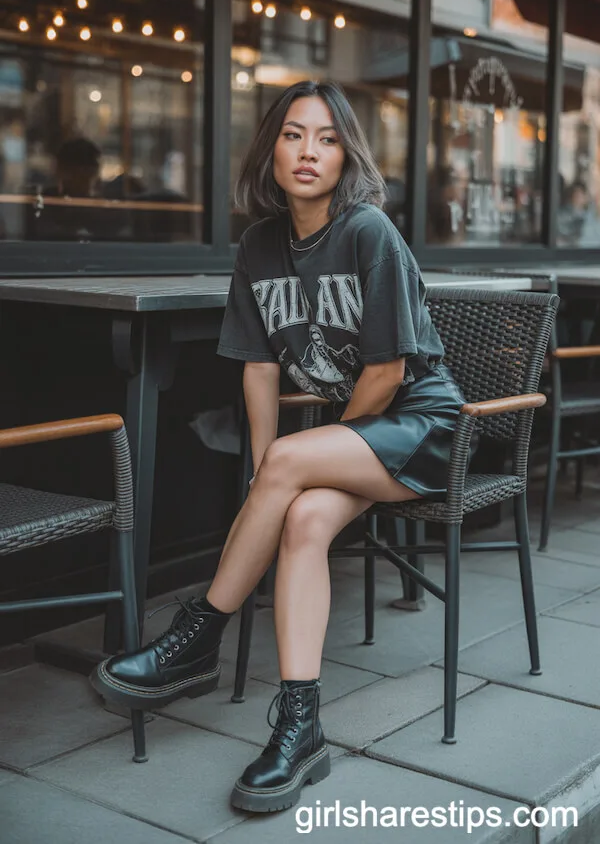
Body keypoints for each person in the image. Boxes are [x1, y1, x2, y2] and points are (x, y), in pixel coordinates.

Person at [91, 80, 472, 813]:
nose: (309, 152)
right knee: (300, 517)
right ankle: (302, 727)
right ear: (270, 148)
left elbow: (388, 371)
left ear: (345, 155)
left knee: (292, 467)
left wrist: (293, 461)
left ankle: (196, 638)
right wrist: (270, 472)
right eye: (294, 135)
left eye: (327, 139)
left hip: (424, 422)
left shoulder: (366, 232)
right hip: (355, 436)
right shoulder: (260, 246)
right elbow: (260, 369)